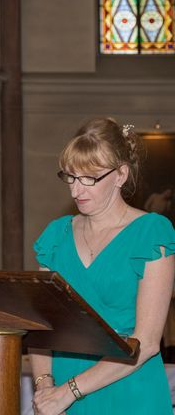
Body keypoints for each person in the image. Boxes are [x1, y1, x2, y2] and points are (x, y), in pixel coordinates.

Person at [31, 118, 175, 415]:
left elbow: (147, 342)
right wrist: (45, 385)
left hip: (127, 385)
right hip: (61, 389)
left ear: (121, 174)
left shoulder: (151, 232)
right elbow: (41, 326)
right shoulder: (56, 236)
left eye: (89, 178)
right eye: (70, 177)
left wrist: (70, 391)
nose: (75, 190)